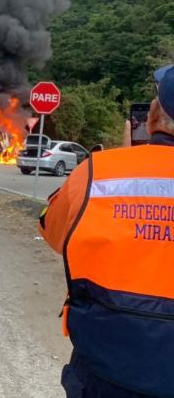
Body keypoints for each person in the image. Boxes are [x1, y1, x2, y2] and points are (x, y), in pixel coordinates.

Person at [39, 64, 174, 398]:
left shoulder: (99, 172)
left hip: (107, 367)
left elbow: (53, 232)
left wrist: (127, 160)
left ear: (153, 116)